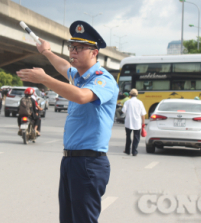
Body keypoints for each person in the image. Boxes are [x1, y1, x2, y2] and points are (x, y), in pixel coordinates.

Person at [16, 20, 118, 222]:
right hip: (71, 161)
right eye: (72, 47)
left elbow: (81, 96)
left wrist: (45, 79)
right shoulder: (79, 77)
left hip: (89, 162)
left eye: (79, 48)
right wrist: (46, 52)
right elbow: (63, 66)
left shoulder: (102, 79)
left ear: (94, 53)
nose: (73, 52)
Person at [122, 89, 146, 156]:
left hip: (128, 122)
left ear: (130, 95)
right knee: (136, 138)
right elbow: (143, 114)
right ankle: (134, 151)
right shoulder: (140, 102)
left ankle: (127, 150)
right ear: (137, 95)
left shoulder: (127, 102)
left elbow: (123, 111)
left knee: (128, 137)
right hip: (137, 123)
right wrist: (143, 123)